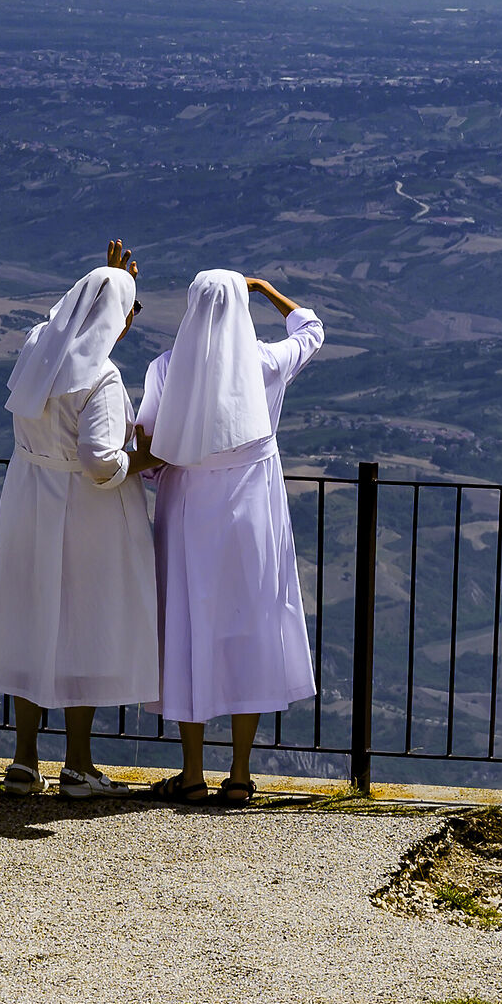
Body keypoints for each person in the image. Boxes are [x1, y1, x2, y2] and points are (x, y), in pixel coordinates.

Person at [0, 241, 159, 797]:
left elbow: (64, 319)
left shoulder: (36, 352)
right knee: (84, 625)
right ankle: (79, 763)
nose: (127, 323)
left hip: (29, 501)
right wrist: (143, 458)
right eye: (128, 312)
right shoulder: (101, 378)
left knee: (32, 619)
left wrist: (107, 281)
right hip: (86, 517)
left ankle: (25, 758)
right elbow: (100, 463)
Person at [135, 270, 323, 805]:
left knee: (188, 629)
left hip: (189, 511)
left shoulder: (167, 370)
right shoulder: (263, 363)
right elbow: (312, 331)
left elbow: (149, 445)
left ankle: (191, 773)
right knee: (251, 626)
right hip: (253, 514)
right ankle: (239, 775)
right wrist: (264, 291)